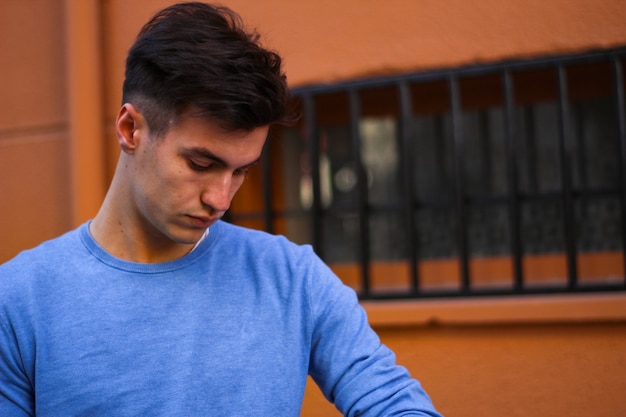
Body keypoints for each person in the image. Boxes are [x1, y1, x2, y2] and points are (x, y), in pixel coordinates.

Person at [0, 2, 442, 416]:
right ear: (131, 128)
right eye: (201, 164)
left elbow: (396, 403)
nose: (221, 199)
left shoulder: (291, 277)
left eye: (241, 171)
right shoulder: (19, 300)